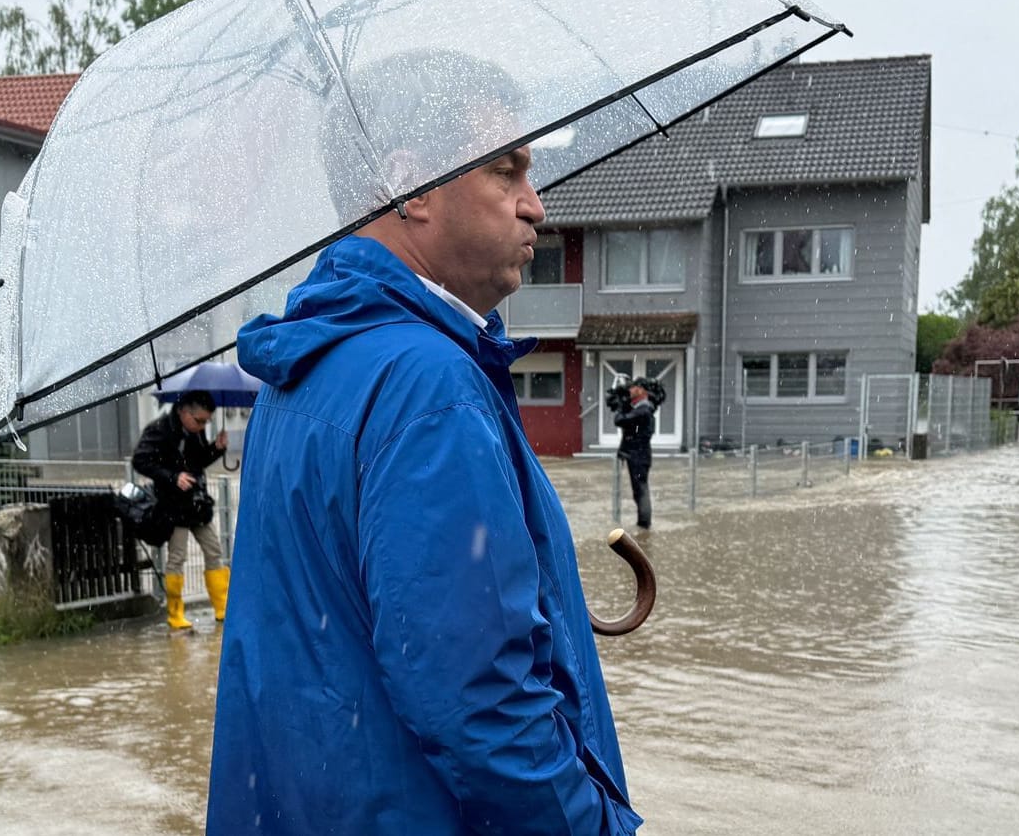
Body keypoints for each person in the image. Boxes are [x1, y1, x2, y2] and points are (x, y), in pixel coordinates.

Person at [207, 51, 642, 834]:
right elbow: (482, 707)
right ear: (410, 187)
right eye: (506, 173)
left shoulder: (304, 370)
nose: (535, 206)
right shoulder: (426, 385)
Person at [130, 389, 230, 630]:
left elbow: (199, 461)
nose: (202, 425)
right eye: (199, 421)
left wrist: (216, 448)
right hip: (173, 507)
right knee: (177, 557)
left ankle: (222, 608)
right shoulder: (159, 429)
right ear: (184, 412)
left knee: (213, 550)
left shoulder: (194, 431)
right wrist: (172, 477)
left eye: (206, 421)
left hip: (197, 504)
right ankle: (175, 613)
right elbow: (140, 460)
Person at [614, 380, 657, 530]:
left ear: (641, 390)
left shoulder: (643, 409)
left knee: (641, 490)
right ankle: (643, 524)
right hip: (638, 455)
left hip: (639, 456)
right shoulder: (641, 407)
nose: (630, 390)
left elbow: (620, 420)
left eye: (633, 387)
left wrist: (620, 407)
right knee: (639, 490)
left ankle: (644, 525)